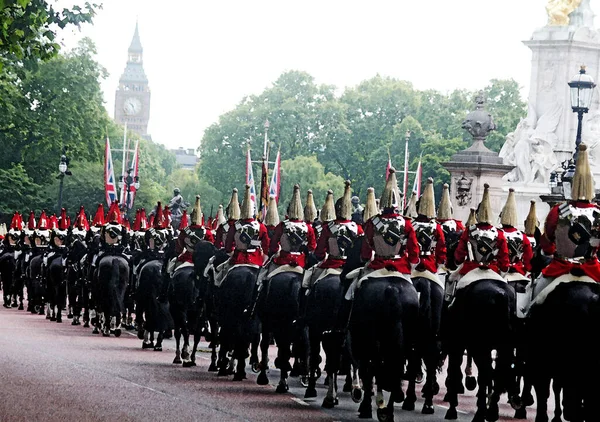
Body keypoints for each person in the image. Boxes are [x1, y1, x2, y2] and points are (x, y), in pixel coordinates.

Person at [530, 143, 600, 306]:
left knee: (533, 298)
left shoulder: (559, 210)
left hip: (560, 268)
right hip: (592, 269)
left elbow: (547, 243)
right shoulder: (598, 213)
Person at [345, 168, 420, 299]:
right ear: (397, 202)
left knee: (353, 293)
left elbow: (366, 250)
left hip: (377, 265)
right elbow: (413, 249)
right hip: (401, 267)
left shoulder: (372, 222)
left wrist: (366, 258)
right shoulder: (407, 223)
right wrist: (412, 263)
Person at [451, 183, 510, 300]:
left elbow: (459, 254)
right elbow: (504, 258)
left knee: (454, 291)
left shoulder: (469, 231)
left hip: (470, 270)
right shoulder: (499, 233)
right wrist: (503, 271)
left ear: (477, 215)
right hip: (492, 271)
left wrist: (458, 262)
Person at [412, 178, 447, 276]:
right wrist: (440, 263)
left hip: (413, 265)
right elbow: (441, 247)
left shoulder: (411, 225)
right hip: (430, 264)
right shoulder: (436, 226)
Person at [498, 189, 533, 281]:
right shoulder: (523, 236)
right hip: (518, 270)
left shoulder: (498, 233)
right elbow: (528, 258)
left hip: (498, 270)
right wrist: (528, 270)